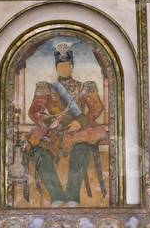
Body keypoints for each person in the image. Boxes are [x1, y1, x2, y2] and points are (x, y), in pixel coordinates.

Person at [27, 42, 108, 206]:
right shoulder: (46, 88)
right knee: (39, 154)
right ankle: (57, 196)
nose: (64, 68)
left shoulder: (85, 87)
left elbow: (97, 107)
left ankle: (72, 198)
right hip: (53, 133)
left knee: (81, 150)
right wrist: (49, 120)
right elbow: (34, 111)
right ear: (56, 68)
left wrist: (80, 121)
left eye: (67, 65)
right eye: (61, 66)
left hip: (78, 132)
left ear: (72, 67)